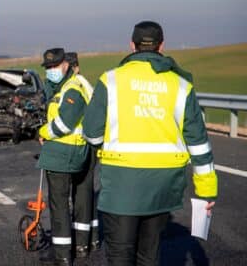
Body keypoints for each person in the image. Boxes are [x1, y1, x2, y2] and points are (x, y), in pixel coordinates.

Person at [82, 21, 217, 266]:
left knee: (120, 253)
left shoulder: (110, 80)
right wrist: (207, 190)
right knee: (150, 254)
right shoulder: (181, 86)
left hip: (122, 183)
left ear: (132, 45)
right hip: (163, 185)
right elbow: (198, 143)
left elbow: (91, 134)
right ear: (161, 46)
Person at [37, 48, 92, 266]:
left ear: (65, 65)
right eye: (48, 67)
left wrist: (42, 132)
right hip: (73, 152)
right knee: (78, 201)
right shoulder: (68, 86)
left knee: (59, 205)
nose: (51, 70)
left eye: (54, 66)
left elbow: (64, 124)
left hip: (64, 153)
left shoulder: (72, 89)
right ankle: (80, 246)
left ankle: (61, 255)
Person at [63, 51, 100, 256]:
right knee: (86, 194)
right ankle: (92, 239)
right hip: (89, 145)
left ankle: (81, 244)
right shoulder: (86, 84)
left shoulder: (77, 86)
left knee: (82, 195)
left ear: (75, 67)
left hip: (81, 146)